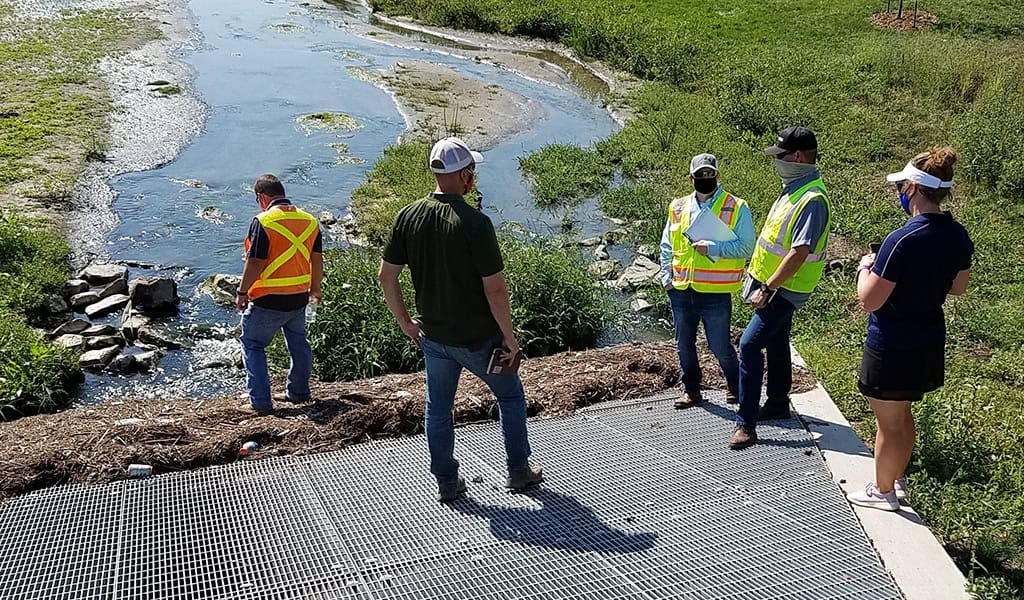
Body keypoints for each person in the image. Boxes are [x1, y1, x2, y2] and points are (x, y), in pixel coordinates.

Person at [378, 137, 543, 502]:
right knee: (511, 397)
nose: (474, 177)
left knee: (438, 410)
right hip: (479, 340)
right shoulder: (475, 222)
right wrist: (509, 338)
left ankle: (447, 482)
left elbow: (386, 276)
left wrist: (406, 323)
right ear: (463, 174)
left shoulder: (408, 216)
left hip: (434, 339)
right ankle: (519, 471)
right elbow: (495, 290)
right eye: (473, 170)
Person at [847, 147, 972, 511]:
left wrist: (865, 268)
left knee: (888, 422)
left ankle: (883, 491)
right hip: (929, 339)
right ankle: (896, 479)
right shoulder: (957, 235)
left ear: (914, 188)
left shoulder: (901, 240)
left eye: (901, 186)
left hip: (892, 343)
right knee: (902, 416)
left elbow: (870, 300)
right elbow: (959, 286)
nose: (900, 192)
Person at [731, 126, 831, 450]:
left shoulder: (812, 199)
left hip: (785, 288)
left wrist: (769, 288)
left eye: (781, 156)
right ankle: (776, 402)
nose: (777, 162)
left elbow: (799, 252)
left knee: (748, 346)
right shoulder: (794, 187)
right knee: (776, 341)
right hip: (773, 282)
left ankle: (746, 424)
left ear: (798, 157)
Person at [659, 153, 755, 409]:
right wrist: (666, 277)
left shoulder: (736, 206)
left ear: (717, 175)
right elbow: (667, 244)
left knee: (720, 345)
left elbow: (746, 247)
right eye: (699, 175)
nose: (705, 178)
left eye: (709, 174)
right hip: (681, 289)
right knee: (683, 345)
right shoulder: (678, 206)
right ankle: (691, 390)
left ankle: (735, 386)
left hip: (715, 291)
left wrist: (713, 247)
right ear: (690, 178)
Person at [236, 174, 323, 415]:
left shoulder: (263, 221)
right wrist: (315, 289)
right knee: (298, 344)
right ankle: (299, 393)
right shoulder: (310, 221)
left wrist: (242, 292)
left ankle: (261, 403)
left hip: (267, 299)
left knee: (252, 345)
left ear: (262, 197)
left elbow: (254, 262)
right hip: (298, 297)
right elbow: (317, 260)